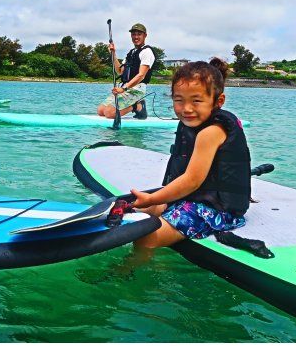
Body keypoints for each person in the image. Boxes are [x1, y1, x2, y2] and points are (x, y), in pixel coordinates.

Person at [130, 58, 251, 250]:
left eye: (196, 100)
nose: (186, 109)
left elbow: (192, 181)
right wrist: (151, 202)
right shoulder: (191, 124)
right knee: (138, 211)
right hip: (196, 198)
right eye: (179, 100)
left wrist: (153, 198)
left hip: (219, 210)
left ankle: (130, 273)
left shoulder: (212, 131)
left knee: (146, 238)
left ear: (218, 101)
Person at [97, 23, 155, 120]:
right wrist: (113, 54)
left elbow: (141, 75)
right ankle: (135, 104)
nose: (136, 37)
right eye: (133, 34)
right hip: (126, 88)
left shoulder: (147, 52)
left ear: (145, 35)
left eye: (139, 34)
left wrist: (124, 88)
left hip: (137, 90)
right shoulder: (131, 53)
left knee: (109, 113)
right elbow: (119, 71)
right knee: (101, 111)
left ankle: (138, 106)